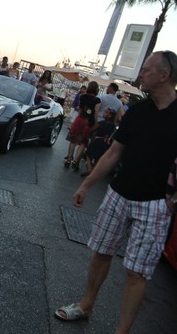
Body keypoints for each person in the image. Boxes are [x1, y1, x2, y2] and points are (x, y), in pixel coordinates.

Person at [54, 51, 177, 334]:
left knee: (136, 271)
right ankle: (86, 305)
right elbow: (114, 152)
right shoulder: (138, 112)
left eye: (146, 69)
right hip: (118, 195)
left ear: (164, 75)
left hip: (156, 205)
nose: (140, 74)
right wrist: (86, 184)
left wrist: (172, 203)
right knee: (100, 251)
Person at [64, 81, 100, 170]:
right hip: (88, 122)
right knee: (83, 142)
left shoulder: (82, 96)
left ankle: (68, 159)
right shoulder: (97, 100)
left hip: (80, 119)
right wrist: (95, 123)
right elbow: (95, 112)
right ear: (97, 89)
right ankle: (75, 160)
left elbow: (80, 109)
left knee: (73, 140)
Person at [80, 107, 117, 177]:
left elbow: (92, 129)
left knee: (88, 154)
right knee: (98, 158)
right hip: (106, 143)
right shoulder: (113, 126)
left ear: (110, 116)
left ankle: (90, 169)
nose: (104, 113)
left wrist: (87, 131)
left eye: (106, 112)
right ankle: (93, 171)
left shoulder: (102, 123)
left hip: (97, 141)